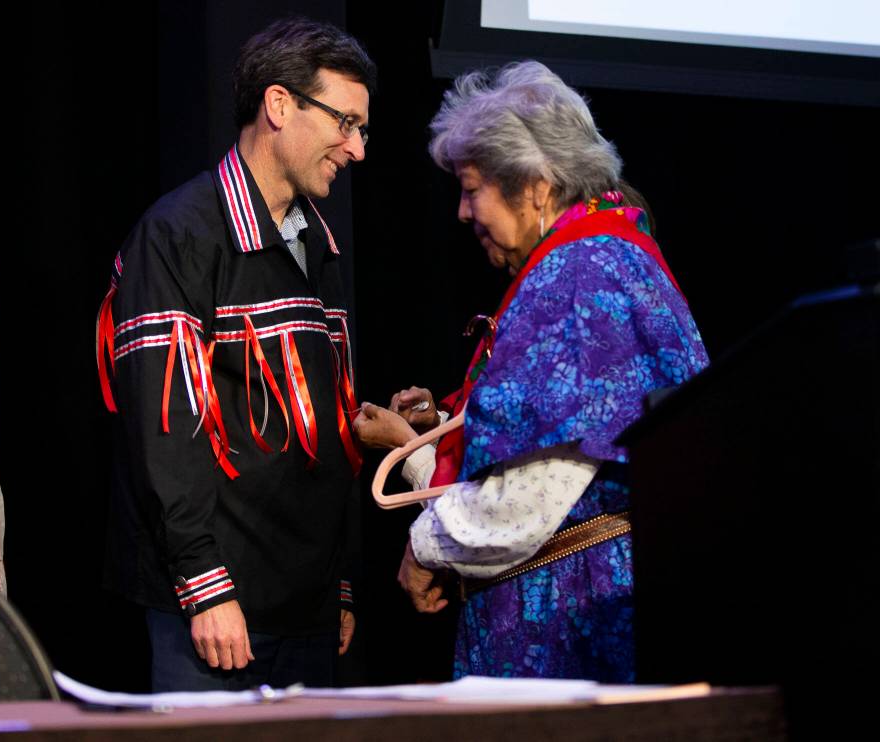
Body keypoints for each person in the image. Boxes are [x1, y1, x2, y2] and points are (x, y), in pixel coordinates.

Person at [354, 61, 708, 682]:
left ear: (537, 187)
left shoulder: (574, 278)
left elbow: (528, 496)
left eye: (472, 188)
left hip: (570, 619)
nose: (463, 213)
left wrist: (424, 544)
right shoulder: (619, 257)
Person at [96, 18, 376, 691]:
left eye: (364, 129)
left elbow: (326, 432)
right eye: (346, 122)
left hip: (306, 614)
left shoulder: (320, 246)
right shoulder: (179, 234)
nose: (357, 149)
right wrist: (205, 586)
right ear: (280, 105)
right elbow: (165, 434)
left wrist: (337, 582)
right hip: (216, 614)